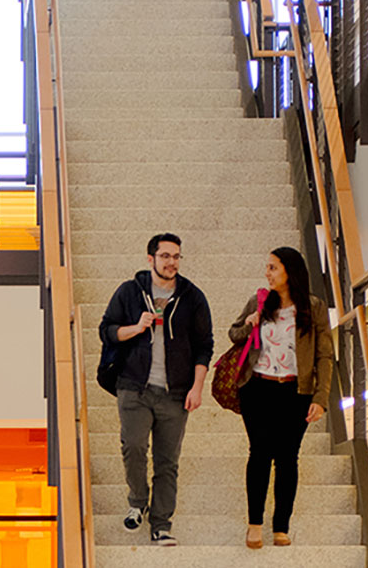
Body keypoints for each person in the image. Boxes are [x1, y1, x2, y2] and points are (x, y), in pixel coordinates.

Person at [98, 233, 214, 547]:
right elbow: (106, 330)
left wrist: (197, 387)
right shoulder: (130, 292)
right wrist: (136, 328)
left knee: (167, 461)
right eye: (165, 256)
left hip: (176, 393)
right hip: (134, 387)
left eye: (176, 256)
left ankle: (161, 524)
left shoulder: (192, 297)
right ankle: (138, 502)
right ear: (151, 259)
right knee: (133, 447)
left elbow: (205, 346)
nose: (171, 262)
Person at [227, 246, 334, 549]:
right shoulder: (259, 301)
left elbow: (325, 355)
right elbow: (233, 335)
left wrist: (321, 397)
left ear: (290, 270)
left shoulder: (313, 308)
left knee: (287, 458)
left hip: (295, 391)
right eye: (268, 267)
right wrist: (249, 322)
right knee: (259, 452)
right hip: (257, 389)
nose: (267, 273)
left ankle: (281, 526)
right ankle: (254, 524)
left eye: (273, 267)